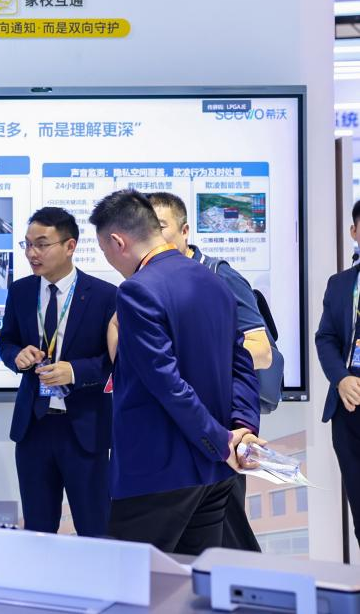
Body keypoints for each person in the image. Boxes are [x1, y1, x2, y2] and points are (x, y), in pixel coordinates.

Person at [89, 189, 262, 555]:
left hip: (157, 471)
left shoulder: (137, 290)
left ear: (118, 241)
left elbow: (167, 384)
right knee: (193, 579)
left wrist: (220, 441)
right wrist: (243, 428)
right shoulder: (213, 280)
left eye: (104, 250)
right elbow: (241, 362)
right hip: (214, 472)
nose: (109, 260)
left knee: (131, 577)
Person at [148, 191, 273, 552]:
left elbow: (261, 350)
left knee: (226, 541)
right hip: (173, 433)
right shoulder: (150, 282)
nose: (153, 236)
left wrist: (192, 360)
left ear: (185, 230)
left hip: (219, 432)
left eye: (161, 226)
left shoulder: (218, 276)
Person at [0, 206, 117, 537]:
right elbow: (6, 340)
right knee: (38, 529)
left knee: (95, 529)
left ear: (69, 246)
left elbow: (114, 362)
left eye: (42, 244)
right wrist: (16, 356)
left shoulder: (104, 296)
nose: (32, 253)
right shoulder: (20, 291)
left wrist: (74, 371)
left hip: (84, 430)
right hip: (33, 427)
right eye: (27, 244)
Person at [315, 199, 360, 547]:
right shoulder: (341, 283)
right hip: (349, 407)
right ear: (354, 232)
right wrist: (341, 378)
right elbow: (326, 337)